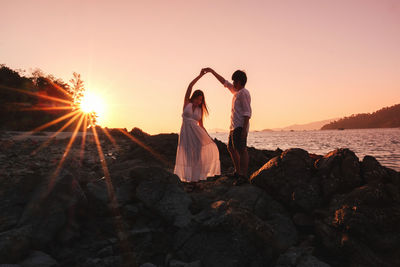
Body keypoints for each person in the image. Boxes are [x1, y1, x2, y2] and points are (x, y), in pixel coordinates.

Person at [204, 68, 251, 184]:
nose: (233, 83)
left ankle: (243, 176)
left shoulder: (244, 93)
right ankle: (238, 172)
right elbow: (224, 82)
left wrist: (244, 129)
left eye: (235, 81)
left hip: (240, 126)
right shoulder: (236, 92)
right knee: (230, 148)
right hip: (233, 126)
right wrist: (212, 71)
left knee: (242, 150)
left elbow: (247, 112)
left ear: (240, 81)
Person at [174, 69, 221, 182]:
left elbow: (201, 125)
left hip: (197, 133)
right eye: (198, 99)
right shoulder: (187, 103)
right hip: (186, 132)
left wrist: (208, 137)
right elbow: (190, 86)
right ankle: (188, 179)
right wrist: (199, 76)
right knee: (187, 154)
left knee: (198, 155)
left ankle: (197, 179)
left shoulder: (200, 110)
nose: (199, 101)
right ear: (193, 97)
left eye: (201, 100)